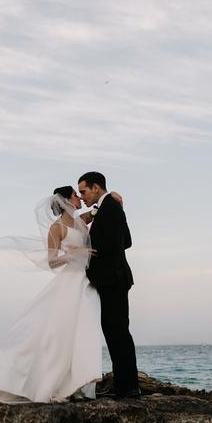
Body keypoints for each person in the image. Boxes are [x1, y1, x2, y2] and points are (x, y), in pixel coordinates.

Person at [0, 186, 123, 417]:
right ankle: (41, 378)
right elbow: (51, 261)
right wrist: (75, 252)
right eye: (76, 195)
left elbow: (102, 207)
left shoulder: (81, 220)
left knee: (80, 331)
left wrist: (115, 197)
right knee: (57, 332)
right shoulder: (56, 228)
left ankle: (77, 380)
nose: (80, 198)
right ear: (67, 200)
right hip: (69, 282)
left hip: (85, 283)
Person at [77, 171, 140, 399]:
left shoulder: (110, 207)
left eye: (83, 191)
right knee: (114, 331)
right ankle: (123, 384)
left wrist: (89, 250)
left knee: (118, 332)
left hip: (113, 278)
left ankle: (129, 387)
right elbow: (128, 241)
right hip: (113, 278)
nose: (82, 196)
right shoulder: (109, 207)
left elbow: (114, 243)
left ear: (96, 187)